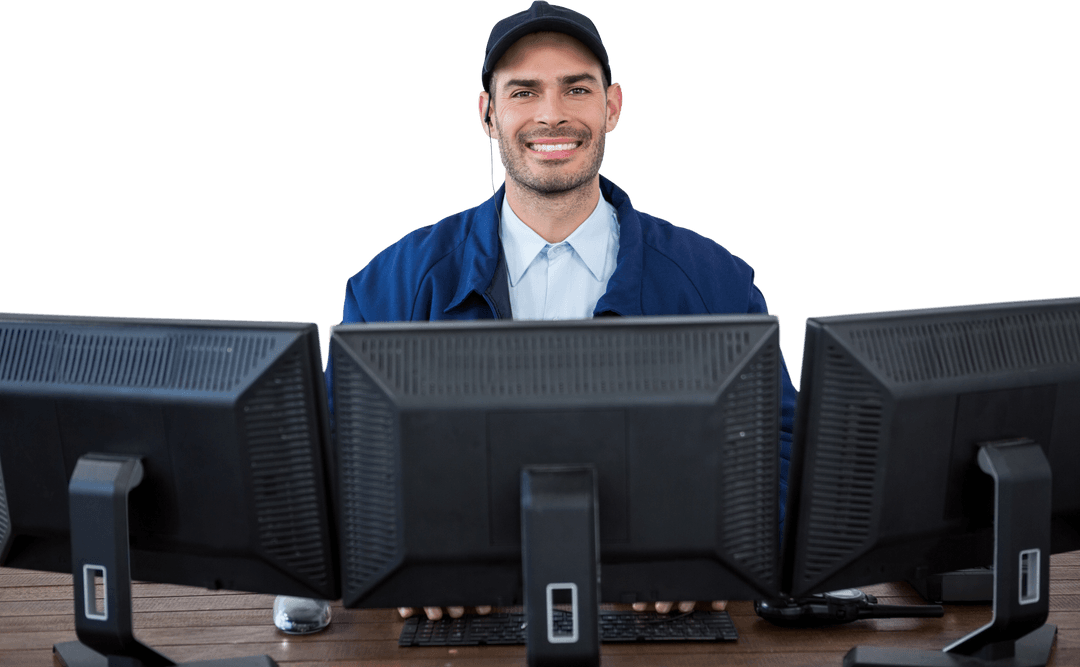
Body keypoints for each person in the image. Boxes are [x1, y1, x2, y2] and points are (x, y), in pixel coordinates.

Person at [317, 0, 797, 623]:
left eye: (577, 89)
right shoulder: (393, 284)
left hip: (658, 622)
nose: (552, 114)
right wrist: (408, 563)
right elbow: (334, 463)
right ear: (488, 114)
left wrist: (712, 555)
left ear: (612, 106)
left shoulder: (716, 280)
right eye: (524, 91)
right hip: (457, 628)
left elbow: (780, 452)